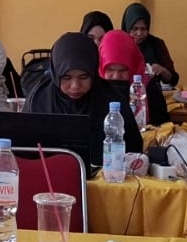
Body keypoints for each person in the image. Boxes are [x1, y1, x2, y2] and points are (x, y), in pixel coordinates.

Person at [27, 32, 143, 160]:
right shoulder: (38, 100)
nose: (75, 86)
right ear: (56, 73)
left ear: (93, 72)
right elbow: (25, 152)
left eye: (83, 77)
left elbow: (134, 151)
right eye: (66, 77)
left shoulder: (111, 99)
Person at [98, 30, 168, 127]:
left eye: (123, 70)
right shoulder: (94, 87)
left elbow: (163, 126)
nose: (116, 76)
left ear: (133, 67)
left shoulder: (148, 87)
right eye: (110, 70)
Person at [122, 3, 178, 85]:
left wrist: (162, 70)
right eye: (135, 29)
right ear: (127, 27)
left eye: (143, 29)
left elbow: (173, 80)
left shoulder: (156, 44)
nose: (139, 33)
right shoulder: (120, 44)